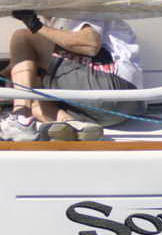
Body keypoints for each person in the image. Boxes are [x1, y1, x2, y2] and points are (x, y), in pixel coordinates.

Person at [0, 12, 142, 141]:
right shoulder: (55, 26)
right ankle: (71, 124)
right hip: (123, 110)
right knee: (35, 102)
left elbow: (91, 44)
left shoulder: (79, 8)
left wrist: (36, 26)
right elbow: (20, 68)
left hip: (111, 87)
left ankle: (20, 118)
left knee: (22, 36)